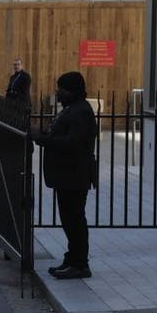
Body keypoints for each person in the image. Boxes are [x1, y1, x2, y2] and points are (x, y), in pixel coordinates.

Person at [31, 72, 98, 280]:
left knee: (75, 220)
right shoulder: (71, 109)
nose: (58, 92)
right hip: (66, 175)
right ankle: (72, 258)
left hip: (74, 175)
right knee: (69, 220)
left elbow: (72, 143)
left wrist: (42, 139)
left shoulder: (81, 112)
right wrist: (44, 134)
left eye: (61, 88)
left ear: (72, 91)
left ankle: (80, 264)